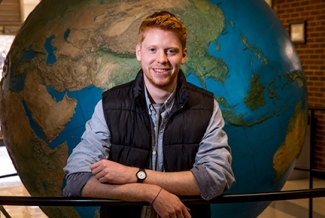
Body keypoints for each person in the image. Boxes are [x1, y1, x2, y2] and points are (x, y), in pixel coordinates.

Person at [63, 11, 235, 218]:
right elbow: (77, 179)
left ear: (184, 55)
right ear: (139, 53)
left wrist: (133, 175)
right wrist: (149, 192)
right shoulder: (110, 105)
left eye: (170, 51)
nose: (161, 59)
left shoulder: (207, 107)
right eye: (152, 49)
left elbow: (215, 178)